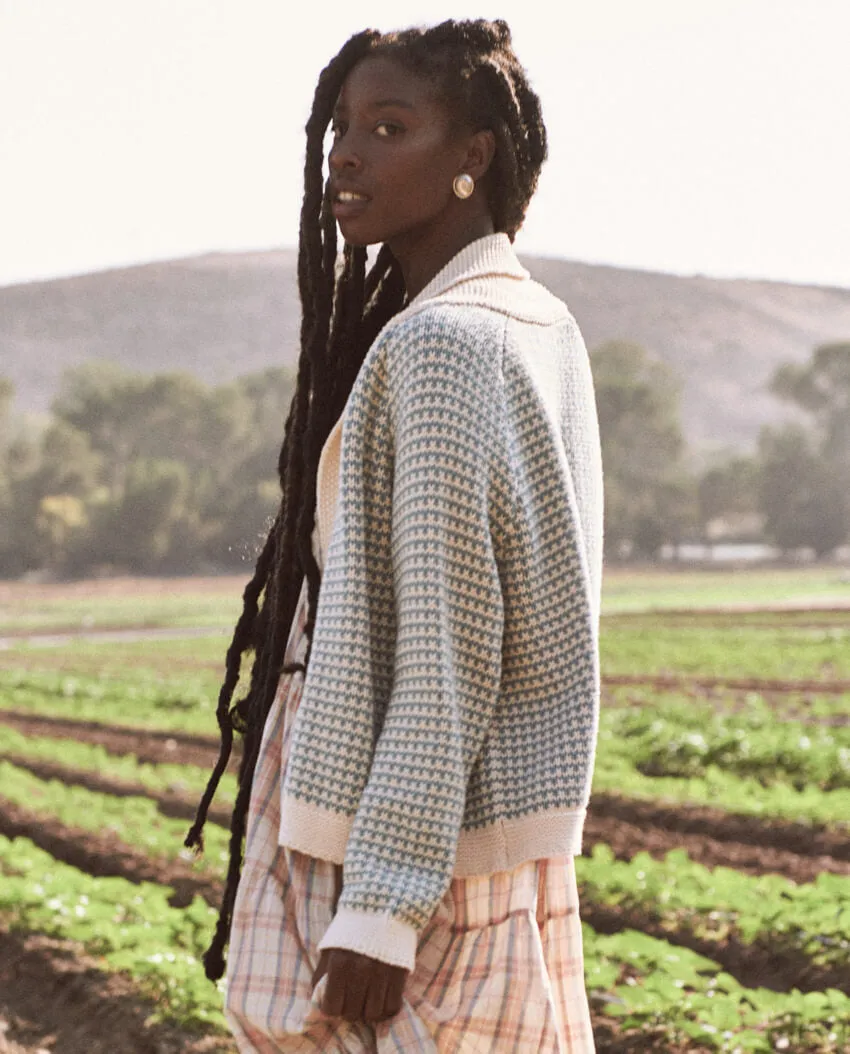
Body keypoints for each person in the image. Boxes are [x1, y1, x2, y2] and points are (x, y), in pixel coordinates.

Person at [186, 18, 603, 1052]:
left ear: (472, 157)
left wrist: (382, 905)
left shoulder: (441, 346)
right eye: (338, 131)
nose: (348, 157)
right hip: (494, 832)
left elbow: (447, 653)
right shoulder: (534, 319)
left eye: (388, 127)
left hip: (402, 835)